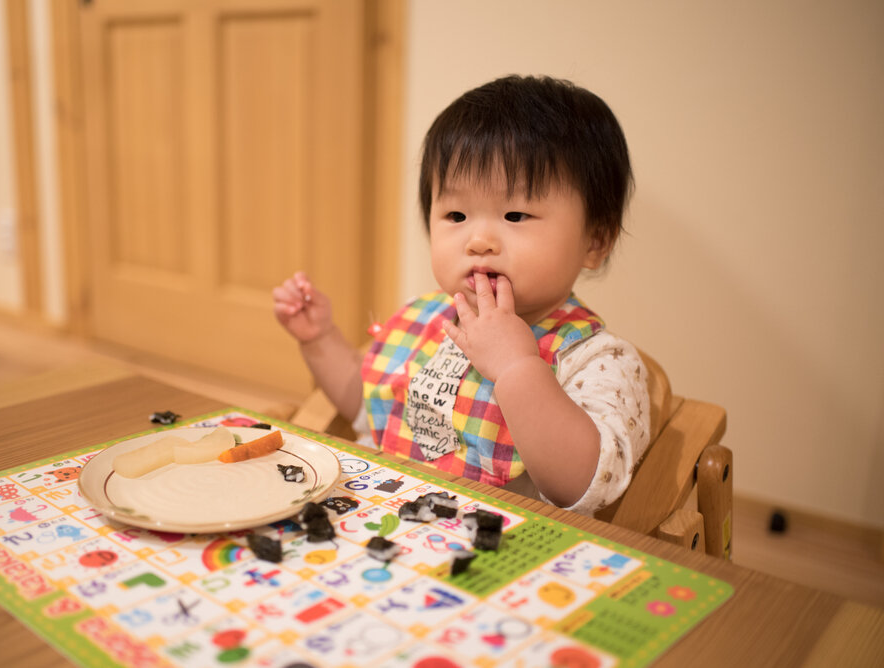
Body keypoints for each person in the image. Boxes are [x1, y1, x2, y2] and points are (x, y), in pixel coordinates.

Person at [272, 75, 649, 515]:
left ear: (594, 241)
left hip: (489, 553)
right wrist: (319, 339)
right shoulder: (428, 319)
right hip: (375, 521)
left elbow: (583, 487)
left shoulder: (597, 359)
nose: (479, 240)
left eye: (515, 214)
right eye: (456, 214)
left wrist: (517, 366)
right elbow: (368, 405)